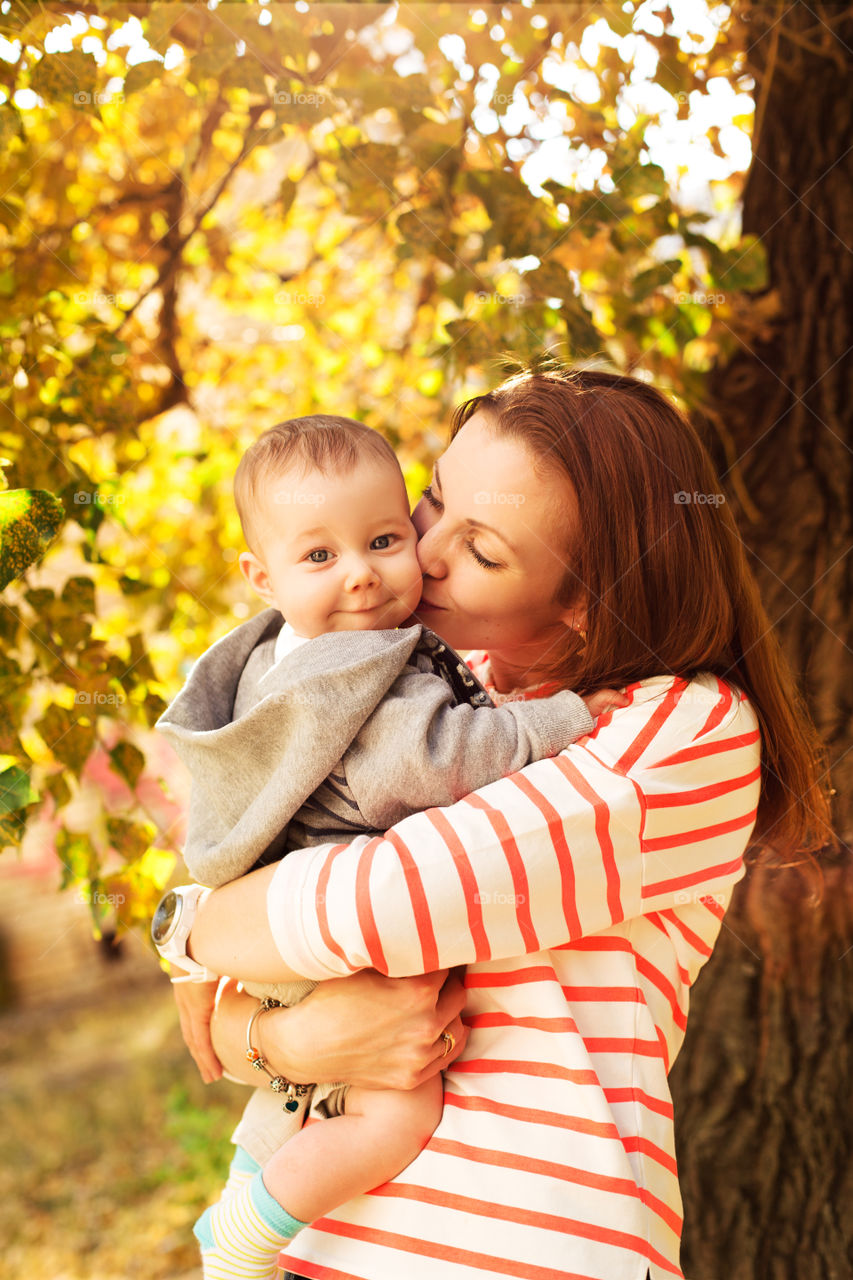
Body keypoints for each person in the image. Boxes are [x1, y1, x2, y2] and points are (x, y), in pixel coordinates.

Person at [167, 368, 832, 1280]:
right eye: (433, 501)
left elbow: (376, 904)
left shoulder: (682, 728)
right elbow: (249, 1003)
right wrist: (281, 1037)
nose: (422, 552)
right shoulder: (434, 677)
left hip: (518, 1249)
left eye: (480, 549)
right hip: (321, 1239)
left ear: (585, 598)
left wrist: (196, 930)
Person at [154, 413, 626, 1279]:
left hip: (276, 933)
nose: (365, 577)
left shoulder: (291, 653)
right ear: (261, 577)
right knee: (392, 1116)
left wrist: (193, 933)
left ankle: (245, 1194)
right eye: (321, 557)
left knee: (302, 1096)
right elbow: (433, 761)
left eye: (382, 537)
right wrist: (561, 721)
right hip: (320, 937)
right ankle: (244, 1235)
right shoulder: (354, 669)